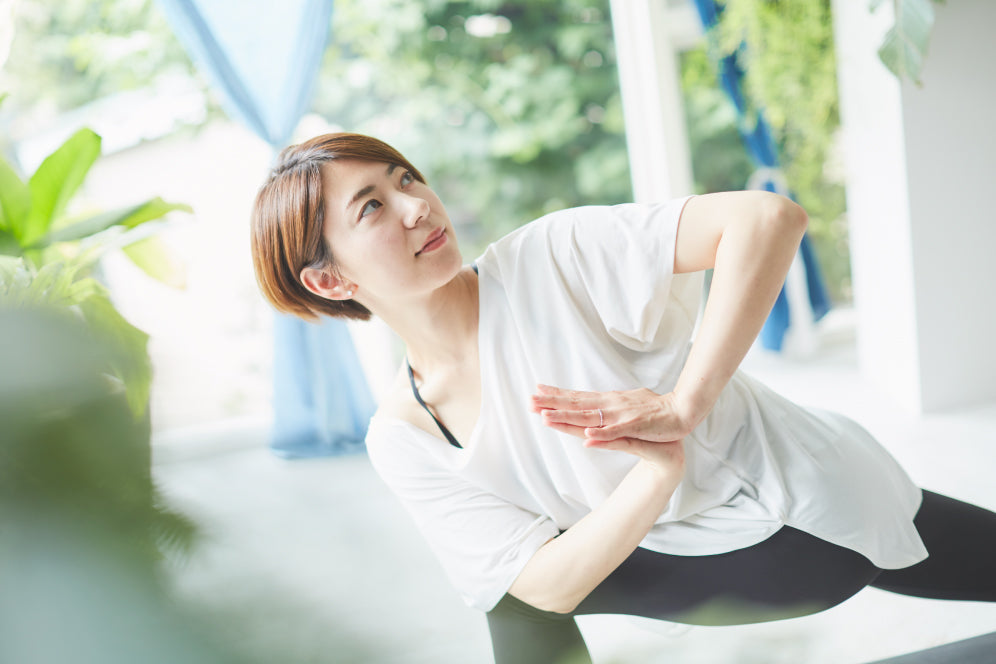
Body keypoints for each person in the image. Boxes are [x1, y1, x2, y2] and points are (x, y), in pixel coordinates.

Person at [250, 133, 996, 664]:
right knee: (501, 579)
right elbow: (544, 587)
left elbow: (768, 219)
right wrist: (656, 475)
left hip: (804, 522)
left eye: (404, 177)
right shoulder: (405, 434)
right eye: (372, 207)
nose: (416, 205)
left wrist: (684, 407)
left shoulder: (547, 258)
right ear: (330, 280)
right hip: (695, 562)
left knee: (503, 585)